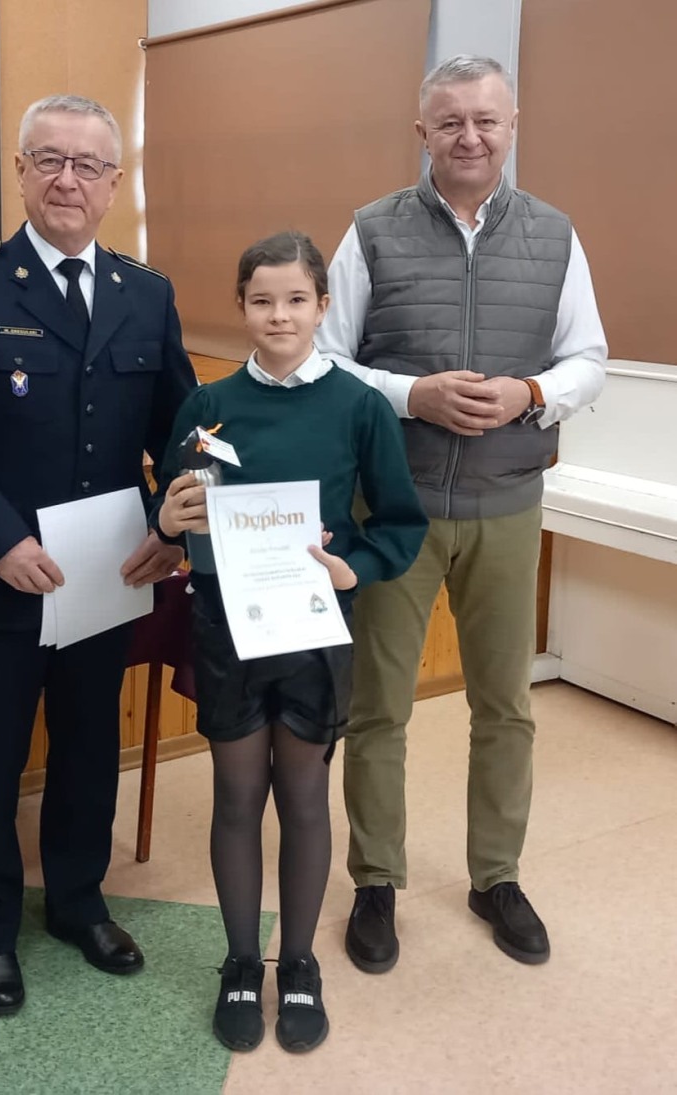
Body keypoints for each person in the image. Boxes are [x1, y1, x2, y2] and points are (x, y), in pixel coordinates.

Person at [0, 94, 197, 1016]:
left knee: (89, 752)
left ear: (114, 183)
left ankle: (77, 902)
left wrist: (169, 523)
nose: (69, 179)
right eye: (50, 160)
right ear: (20, 170)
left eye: (89, 164)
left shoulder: (147, 293)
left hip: (106, 578)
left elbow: (181, 432)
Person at [317, 55, 607, 971]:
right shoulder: (370, 231)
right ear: (423, 132)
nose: (469, 137)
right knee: (377, 707)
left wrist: (531, 392)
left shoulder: (556, 235)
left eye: (486, 120)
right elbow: (327, 360)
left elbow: (588, 358)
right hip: (393, 509)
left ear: (512, 125)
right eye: (450, 122)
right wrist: (412, 395)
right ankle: (375, 880)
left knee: (505, 706)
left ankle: (496, 876)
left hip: (508, 504)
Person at [155, 232, 427, 1053]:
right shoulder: (208, 407)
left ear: (322, 306)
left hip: (314, 629)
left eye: (296, 299)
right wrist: (167, 520)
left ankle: (299, 963)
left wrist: (354, 569)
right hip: (228, 628)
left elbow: (400, 522)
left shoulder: (359, 407)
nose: (279, 315)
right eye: (263, 300)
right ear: (241, 306)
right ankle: (242, 961)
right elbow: (176, 503)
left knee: (304, 797)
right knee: (238, 795)